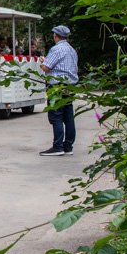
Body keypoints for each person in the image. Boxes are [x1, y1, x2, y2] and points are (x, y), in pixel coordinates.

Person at [39, 25, 79, 156]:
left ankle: (58, 146)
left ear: (56, 36)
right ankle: (68, 146)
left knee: (56, 116)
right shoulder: (72, 50)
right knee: (68, 117)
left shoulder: (56, 49)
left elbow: (46, 68)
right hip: (70, 86)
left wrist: (42, 61)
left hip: (57, 87)